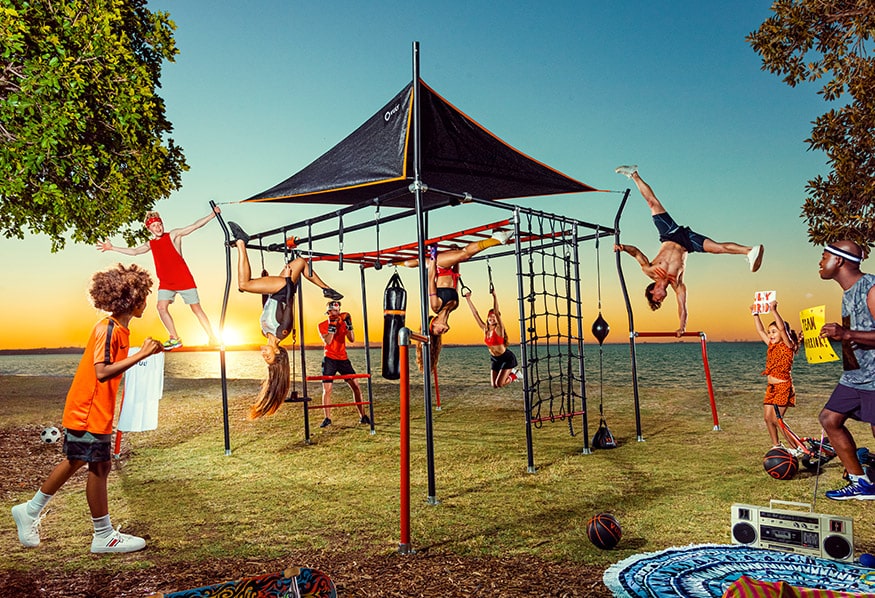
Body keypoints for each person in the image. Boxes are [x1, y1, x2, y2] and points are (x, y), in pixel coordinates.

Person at [11, 264, 164, 553]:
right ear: (131, 300)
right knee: (92, 465)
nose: (147, 301)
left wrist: (146, 353)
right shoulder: (107, 328)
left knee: (93, 464)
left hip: (96, 411)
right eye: (144, 296)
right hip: (88, 411)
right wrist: (142, 354)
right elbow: (102, 371)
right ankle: (101, 535)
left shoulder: (118, 330)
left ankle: (31, 511)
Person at [614, 165, 764, 336]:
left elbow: (637, 253)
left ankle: (634, 174)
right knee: (718, 248)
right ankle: (750, 251)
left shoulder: (650, 270)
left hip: (669, 234)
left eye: (657, 299)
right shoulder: (677, 284)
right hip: (688, 243)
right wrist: (682, 327)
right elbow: (682, 307)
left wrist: (623, 248)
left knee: (652, 203)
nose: (662, 299)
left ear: (652, 291)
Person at [229, 223, 343, 419]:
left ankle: (325, 288)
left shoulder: (265, 332)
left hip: (274, 292)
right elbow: (289, 304)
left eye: (265, 358)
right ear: (278, 353)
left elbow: (267, 308)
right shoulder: (283, 331)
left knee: (300, 262)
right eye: (268, 356)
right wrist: (289, 281)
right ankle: (242, 242)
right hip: (283, 290)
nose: (263, 354)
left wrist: (263, 288)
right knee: (244, 284)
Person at [97, 207, 220, 349]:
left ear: (162, 224)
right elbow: (135, 251)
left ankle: (213, 337)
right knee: (161, 307)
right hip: (166, 282)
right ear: (149, 229)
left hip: (184, 279)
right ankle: (174, 338)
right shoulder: (151, 244)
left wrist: (212, 215)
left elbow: (194, 226)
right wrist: (112, 248)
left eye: (159, 224)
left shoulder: (173, 235)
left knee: (196, 309)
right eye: (154, 226)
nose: (158, 227)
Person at [397, 230, 513, 371]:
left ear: (432, 325)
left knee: (465, 253)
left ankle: (496, 239)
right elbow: (455, 280)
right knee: (421, 261)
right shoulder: (454, 306)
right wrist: (457, 262)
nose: (443, 331)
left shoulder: (436, 305)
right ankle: (397, 263)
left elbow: (430, 278)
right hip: (449, 268)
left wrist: (434, 255)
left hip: (439, 266)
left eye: (439, 331)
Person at [817, 240, 875, 500]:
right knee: (829, 419)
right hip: (855, 375)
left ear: (838, 261)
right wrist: (838, 337)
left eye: (824, 256)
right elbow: (858, 335)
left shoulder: (871, 288)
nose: (820, 262)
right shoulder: (847, 292)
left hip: (874, 376)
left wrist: (847, 332)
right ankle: (859, 481)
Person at [751, 300, 802, 452]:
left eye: (774, 332)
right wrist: (755, 314)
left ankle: (796, 448)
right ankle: (777, 445)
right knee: (768, 418)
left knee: (777, 420)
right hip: (771, 387)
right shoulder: (772, 346)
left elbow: (782, 328)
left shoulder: (788, 346)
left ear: (783, 333)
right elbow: (760, 331)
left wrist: (774, 310)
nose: (770, 335)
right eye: (770, 332)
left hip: (783, 387)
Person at [316, 300, 369, 428]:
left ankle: (363, 416)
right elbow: (328, 341)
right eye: (334, 311)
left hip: (343, 359)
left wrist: (349, 325)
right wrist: (332, 327)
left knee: (356, 386)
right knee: (327, 390)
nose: (337, 313)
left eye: (338, 310)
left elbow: (352, 339)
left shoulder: (343, 322)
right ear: (329, 312)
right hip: (329, 359)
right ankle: (327, 418)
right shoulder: (322, 325)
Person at [463, 289, 521, 387]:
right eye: (490, 316)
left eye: (494, 316)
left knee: (500, 384)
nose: (492, 318)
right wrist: (468, 299)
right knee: (494, 385)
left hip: (507, 358)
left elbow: (497, 313)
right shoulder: (485, 329)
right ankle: (511, 372)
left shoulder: (499, 329)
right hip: (495, 359)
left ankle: (515, 375)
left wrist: (494, 296)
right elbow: (475, 314)